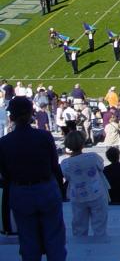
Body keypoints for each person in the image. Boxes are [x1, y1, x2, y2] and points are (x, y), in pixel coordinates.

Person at [0, 96, 66, 259]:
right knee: (54, 239)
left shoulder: (4, 142)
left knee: (28, 239)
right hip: (46, 189)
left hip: (20, 191)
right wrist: (60, 189)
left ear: (11, 117)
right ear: (31, 114)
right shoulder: (44, 136)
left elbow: (5, 173)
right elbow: (54, 165)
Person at [60, 131, 109, 237]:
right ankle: (100, 241)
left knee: (79, 224)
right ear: (83, 143)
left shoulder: (65, 163)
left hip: (77, 195)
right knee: (99, 223)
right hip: (96, 193)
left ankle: (80, 243)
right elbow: (101, 167)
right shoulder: (93, 157)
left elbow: (67, 177)